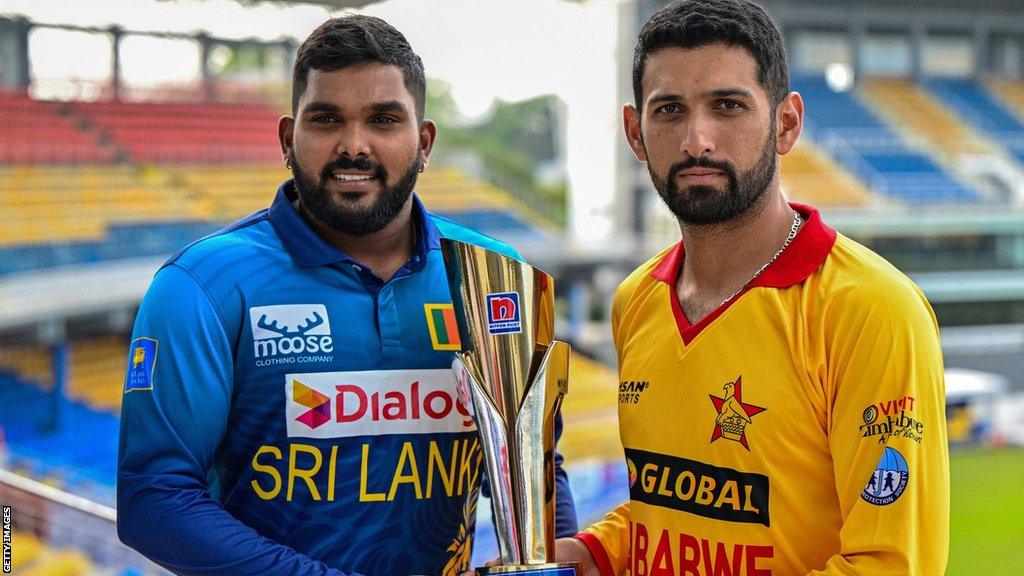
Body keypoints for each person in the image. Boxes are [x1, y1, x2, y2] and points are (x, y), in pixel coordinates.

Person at [116, 15, 576, 576]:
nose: (354, 146)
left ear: (424, 141)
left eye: (383, 120)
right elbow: (153, 500)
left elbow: (535, 470)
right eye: (327, 119)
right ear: (289, 138)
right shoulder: (201, 285)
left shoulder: (496, 277)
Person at [554, 1, 949, 574]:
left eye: (728, 106)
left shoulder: (870, 308)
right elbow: (671, 512)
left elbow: (891, 565)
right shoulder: (636, 299)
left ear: (786, 123)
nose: (696, 140)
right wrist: (594, 554)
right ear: (636, 134)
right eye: (669, 111)